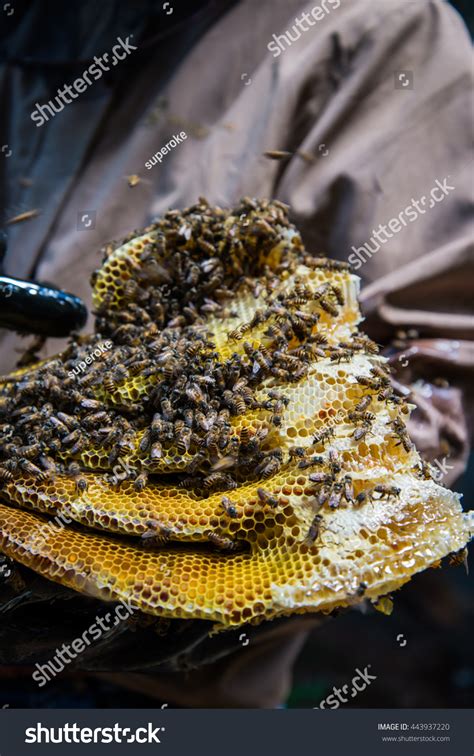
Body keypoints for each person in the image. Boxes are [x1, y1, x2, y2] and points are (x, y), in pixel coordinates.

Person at [0, 0, 472, 707]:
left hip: (144, 699)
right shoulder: (47, 25)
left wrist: (176, 578)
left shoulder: (379, 23)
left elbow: (426, 363)